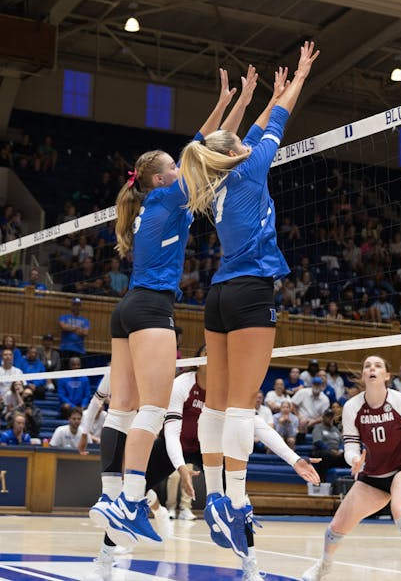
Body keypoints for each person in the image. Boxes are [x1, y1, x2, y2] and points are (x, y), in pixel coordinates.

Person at [89, 65, 249, 548]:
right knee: (153, 411)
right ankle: (131, 500)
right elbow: (206, 150)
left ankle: (109, 495)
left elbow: (195, 145)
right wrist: (238, 114)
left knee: (121, 411)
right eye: (174, 170)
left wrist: (227, 101)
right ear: (162, 178)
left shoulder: (150, 201)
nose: (182, 172)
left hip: (127, 310)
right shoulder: (167, 198)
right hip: (152, 311)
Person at [179, 42, 319, 559]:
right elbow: (277, 121)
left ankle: (216, 495)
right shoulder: (251, 169)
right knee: (242, 405)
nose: (247, 140)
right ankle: (235, 502)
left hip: (217, 295)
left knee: (216, 404)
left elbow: (256, 129)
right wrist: (300, 78)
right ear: (233, 150)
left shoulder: (211, 180)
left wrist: (270, 94)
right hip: (252, 291)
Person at [86, 349, 320, 581]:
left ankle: (251, 568)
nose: (219, 356)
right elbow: (171, 432)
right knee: (131, 491)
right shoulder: (182, 384)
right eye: (210, 352)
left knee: (239, 504)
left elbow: (258, 425)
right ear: (199, 361)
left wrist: (295, 459)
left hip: (211, 448)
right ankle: (105, 559)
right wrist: (181, 467)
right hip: (177, 445)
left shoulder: (231, 389)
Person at [301, 355, 401, 581]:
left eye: (378, 365)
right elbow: (350, 447)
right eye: (367, 366)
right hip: (373, 474)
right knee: (335, 527)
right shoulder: (352, 407)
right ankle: (323, 566)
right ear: (363, 375)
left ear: (386, 376)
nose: (372, 368)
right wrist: (354, 461)